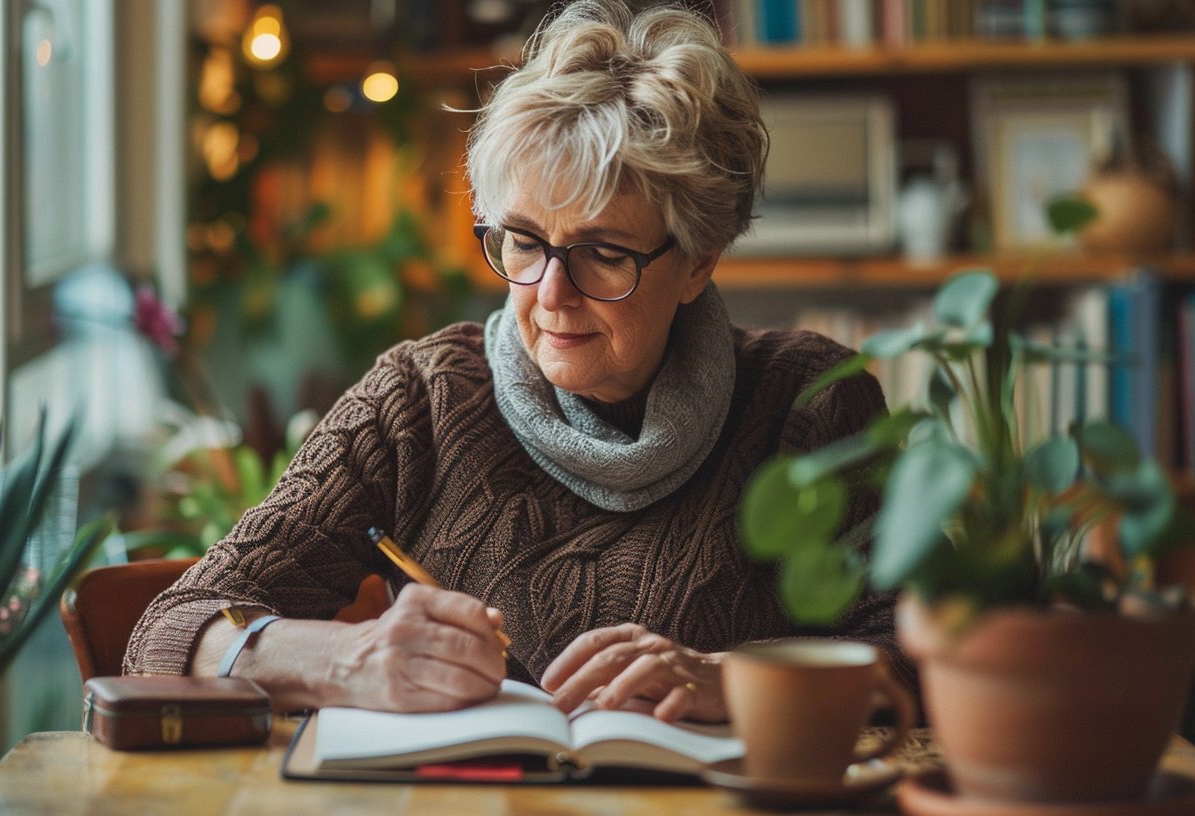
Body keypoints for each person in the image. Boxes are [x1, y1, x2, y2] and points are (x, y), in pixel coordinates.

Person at [126, 0, 902, 723]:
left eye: (601, 253)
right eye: (524, 242)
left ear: (699, 259)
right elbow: (170, 630)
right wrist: (348, 659)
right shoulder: (417, 402)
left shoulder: (811, 402)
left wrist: (732, 682)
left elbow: (927, 659)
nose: (550, 293)